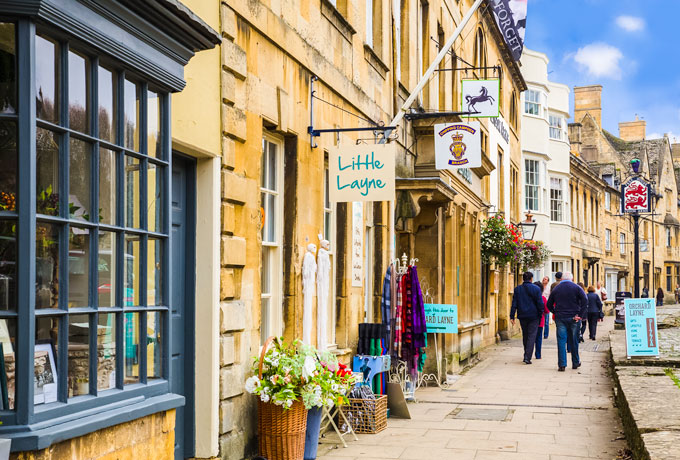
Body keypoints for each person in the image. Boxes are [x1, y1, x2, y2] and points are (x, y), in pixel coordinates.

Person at [546, 272, 588, 372]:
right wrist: (580, 315)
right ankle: (575, 362)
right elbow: (585, 300)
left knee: (561, 341)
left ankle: (562, 364)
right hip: (574, 317)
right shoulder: (577, 287)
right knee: (574, 341)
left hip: (560, 317)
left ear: (562, 279)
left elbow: (548, 304)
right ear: (572, 278)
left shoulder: (557, 288)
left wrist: (555, 312)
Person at [510, 272, 544, 364]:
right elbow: (540, 303)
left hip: (522, 315)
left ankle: (526, 353)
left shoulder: (517, 289)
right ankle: (527, 357)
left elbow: (514, 303)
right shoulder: (536, 289)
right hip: (534, 316)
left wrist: (512, 316)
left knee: (525, 335)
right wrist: (541, 313)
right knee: (532, 336)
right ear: (531, 279)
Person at [533, 281, 550, 359]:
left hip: (531, 320)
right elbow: (546, 310)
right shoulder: (543, 298)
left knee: (530, 338)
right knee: (538, 338)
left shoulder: (530, 298)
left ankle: (527, 352)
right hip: (540, 321)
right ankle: (538, 354)